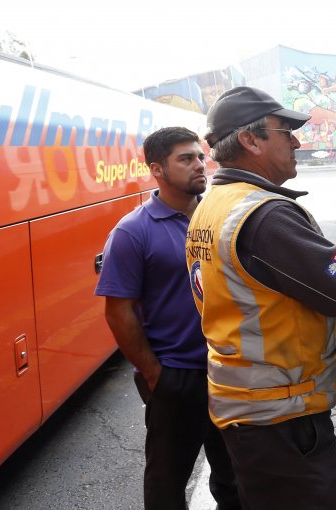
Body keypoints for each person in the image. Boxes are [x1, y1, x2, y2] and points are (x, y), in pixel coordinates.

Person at [185, 86, 336, 509]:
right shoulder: (263, 216)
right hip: (280, 420)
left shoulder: (214, 204)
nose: (297, 142)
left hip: (250, 413)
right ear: (251, 140)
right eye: (286, 132)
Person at [95, 127, 241, 510]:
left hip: (231, 373)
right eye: (186, 158)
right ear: (157, 169)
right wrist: (155, 373)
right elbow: (118, 311)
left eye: (199, 156)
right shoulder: (132, 232)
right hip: (178, 378)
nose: (199, 165)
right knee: (166, 487)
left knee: (236, 481)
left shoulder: (217, 216)